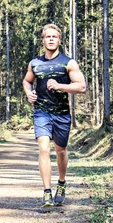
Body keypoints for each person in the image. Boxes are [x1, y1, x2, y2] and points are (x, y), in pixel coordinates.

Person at [23, 23, 86, 209]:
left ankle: (62, 182)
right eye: (47, 37)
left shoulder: (68, 62)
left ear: (59, 40)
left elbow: (81, 86)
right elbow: (27, 81)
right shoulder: (35, 63)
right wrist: (29, 93)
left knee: (61, 151)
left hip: (62, 114)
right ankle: (47, 192)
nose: (51, 39)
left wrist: (60, 86)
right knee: (43, 149)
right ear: (42, 40)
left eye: (54, 37)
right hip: (41, 112)